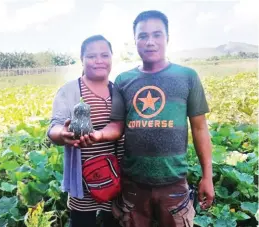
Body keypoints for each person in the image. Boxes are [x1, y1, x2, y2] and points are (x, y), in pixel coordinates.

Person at [81, 10, 215, 227]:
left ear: (167, 38)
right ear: (135, 41)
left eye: (157, 35)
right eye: (143, 36)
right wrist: (97, 135)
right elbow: (117, 124)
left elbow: (199, 129)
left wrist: (207, 176)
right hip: (133, 185)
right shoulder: (124, 80)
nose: (150, 42)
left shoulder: (187, 77)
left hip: (174, 186)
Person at [47, 35, 124, 227]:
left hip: (116, 177)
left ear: (112, 57)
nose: (98, 60)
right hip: (83, 178)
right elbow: (54, 126)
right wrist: (62, 134)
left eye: (104, 55)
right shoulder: (70, 91)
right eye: (91, 56)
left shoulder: (119, 91)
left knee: (114, 222)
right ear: (81, 59)